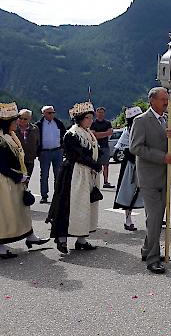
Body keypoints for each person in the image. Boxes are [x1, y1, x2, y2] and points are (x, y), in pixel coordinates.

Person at [129, 87, 171, 275]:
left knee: (157, 217)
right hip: (149, 177)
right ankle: (152, 258)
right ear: (152, 101)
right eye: (162, 100)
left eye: (167, 100)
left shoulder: (168, 119)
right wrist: (161, 157)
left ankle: (146, 250)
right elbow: (135, 147)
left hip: (165, 176)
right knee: (155, 218)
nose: (166, 103)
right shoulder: (141, 121)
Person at [46, 101, 102, 254]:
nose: (91, 120)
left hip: (86, 173)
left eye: (91, 117)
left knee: (86, 206)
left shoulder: (88, 133)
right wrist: (95, 165)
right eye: (88, 118)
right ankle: (62, 239)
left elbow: (94, 151)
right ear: (80, 119)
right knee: (68, 206)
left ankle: (81, 239)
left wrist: (99, 160)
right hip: (73, 174)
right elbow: (77, 155)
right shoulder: (72, 134)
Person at [0, 102, 49, 259]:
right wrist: (18, 176)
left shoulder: (11, 135)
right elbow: (1, 165)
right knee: (5, 213)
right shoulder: (1, 139)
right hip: (5, 181)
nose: (17, 122)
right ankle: (1, 245)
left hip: (15, 180)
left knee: (22, 209)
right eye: (15, 120)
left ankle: (30, 236)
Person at [113, 106, 144, 231]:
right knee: (129, 192)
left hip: (144, 164)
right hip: (131, 165)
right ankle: (128, 219)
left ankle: (154, 217)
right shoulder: (128, 131)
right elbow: (127, 150)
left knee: (150, 192)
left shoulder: (145, 128)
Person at [37, 105, 66, 204]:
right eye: (49, 113)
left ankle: (58, 196)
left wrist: (63, 149)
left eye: (53, 112)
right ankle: (44, 196)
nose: (51, 114)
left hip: (58, 151)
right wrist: (38, 152)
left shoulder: (58, 123)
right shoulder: (39, 125)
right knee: (44, 175)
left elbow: (64, 136)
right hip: (45, 152)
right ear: (43, 114)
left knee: (58, 175)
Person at [91, 106, 114, 188]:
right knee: (96, 165)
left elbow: (110, 133)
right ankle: (95, 182)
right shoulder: (93, 123)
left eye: (102, 112)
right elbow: (94, 135)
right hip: (96, 147)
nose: (101, 114)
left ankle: (106, 182)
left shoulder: (108, 123)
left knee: (106, 165)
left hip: (105, 146)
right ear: (96, 113)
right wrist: (105, 133)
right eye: (99, 112)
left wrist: (99, 134)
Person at [16, 109, 40, 182]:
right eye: (20, 118)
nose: (22, 120)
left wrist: (35, 154)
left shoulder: (35, 129)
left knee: (26, 181)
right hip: (16, 160)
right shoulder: (13, 128)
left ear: (29, 119)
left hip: (29, 160)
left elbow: (37, 143)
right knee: (16, 182)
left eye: (25, 119)